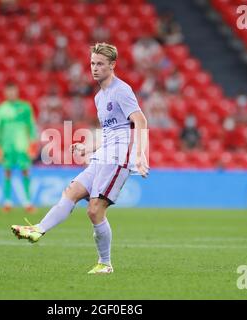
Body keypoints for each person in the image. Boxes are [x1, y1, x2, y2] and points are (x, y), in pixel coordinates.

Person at [11, 43, 149, 274]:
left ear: (112, 65)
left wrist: (140, 155)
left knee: (94, 210)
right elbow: (111, 131)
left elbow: (140, 121)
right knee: (71, 192)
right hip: (104, 153)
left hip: (118, 157)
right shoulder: (98, 97)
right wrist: (89, 147)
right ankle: (38, 229)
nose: (94, 68)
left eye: (100, 64)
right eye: (92, 63)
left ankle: (105, 264)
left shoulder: (121, 90)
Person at [0, 82, 38, 213]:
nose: (11, 93)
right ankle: (7, 202)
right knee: (7, 171)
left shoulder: (25, 107)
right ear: (5, 93)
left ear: (17, 92)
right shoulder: (1, 109)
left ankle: (28, 202)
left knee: (26, 171)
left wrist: (33, 144)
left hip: (22, 145)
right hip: (7, 146)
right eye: (9, 91)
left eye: (13, 91)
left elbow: (31, 126)